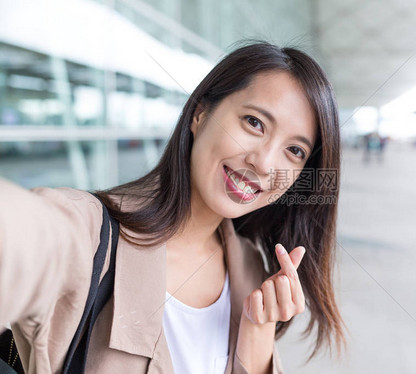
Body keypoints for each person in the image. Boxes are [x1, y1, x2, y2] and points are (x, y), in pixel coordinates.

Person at [0, 42, 347, 373]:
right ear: (200, 113)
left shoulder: (253, 271)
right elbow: (24, 233)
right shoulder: (89, 231)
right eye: (254, 123)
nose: (265, 164)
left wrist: (257, 335)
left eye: (295, 151)